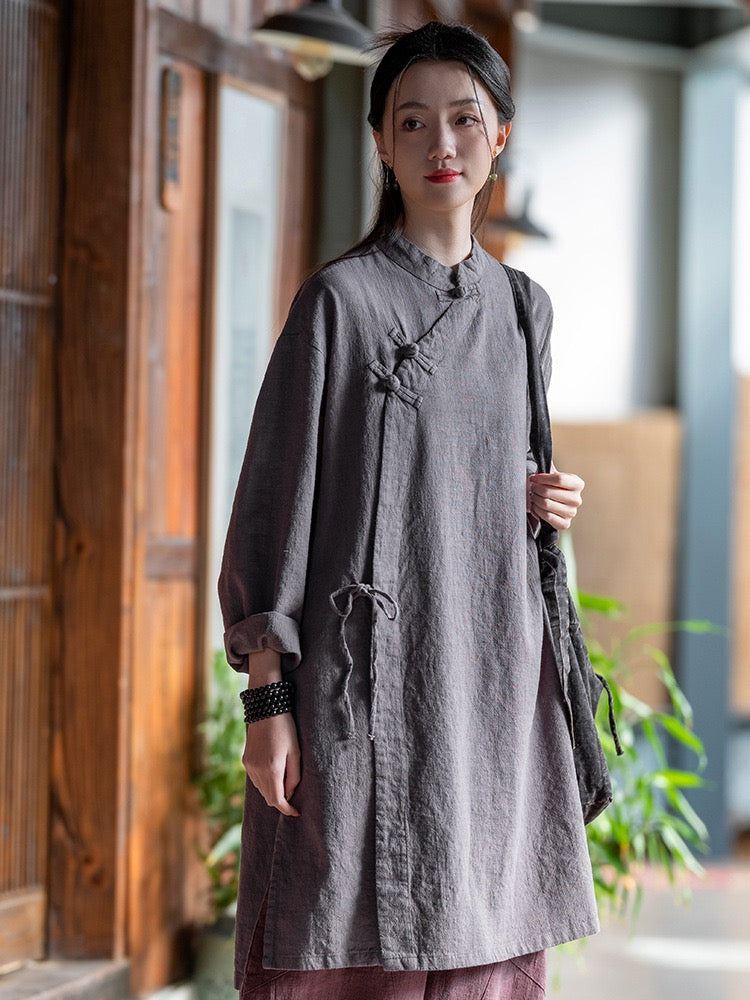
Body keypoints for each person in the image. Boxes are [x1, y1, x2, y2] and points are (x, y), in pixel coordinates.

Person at [219, 21, 596, 1000]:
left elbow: (466, 465)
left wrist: (533, 497)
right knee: (340, 936)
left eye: (464, 120)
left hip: (489, 684)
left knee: (486, 933)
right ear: (382, 143)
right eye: (413, 121)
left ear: (499, 136)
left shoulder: (526, 310)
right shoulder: (337, 304)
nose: (441, 144)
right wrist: (268, 706)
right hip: (361, 689)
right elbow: (274, 508)